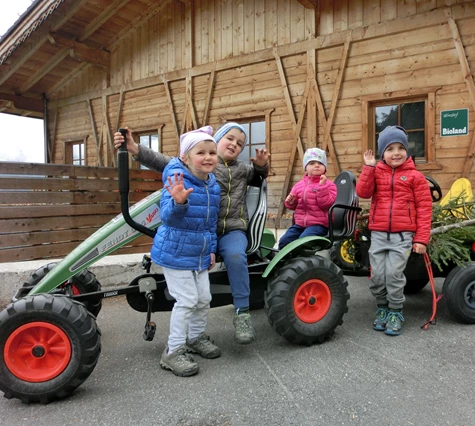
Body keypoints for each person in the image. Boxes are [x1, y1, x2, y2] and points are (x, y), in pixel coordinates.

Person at [114, 123, 269, 345]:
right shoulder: (202, 163)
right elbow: (163, 161)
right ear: (216, 140)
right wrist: (134, 148)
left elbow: (259, 176)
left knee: (236, 256)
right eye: (230, 138)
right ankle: (187, 335)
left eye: (240, 143)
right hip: (202, 231)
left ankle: (242, 312)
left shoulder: (243, 169)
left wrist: (262, 166)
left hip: (232, 229)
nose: (234, 144)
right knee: (195, 292)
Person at [152, 126, 221, 377]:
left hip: (200, 253)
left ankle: (195, 338)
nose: (208, 157)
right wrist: (179, 202)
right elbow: (167, 217)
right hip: (175, 251)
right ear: (185, 157)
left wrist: (211, 249)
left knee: (204, 299)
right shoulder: (176, 180)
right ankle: (173, 350)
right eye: (200, 152)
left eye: (212, 152)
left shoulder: (212, 185)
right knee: (187, 300)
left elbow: (211, 222)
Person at [356, 125, 432, 336]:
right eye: (390, 149)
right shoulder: (376, 172)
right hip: (379, 234)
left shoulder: (415, 177)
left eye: (400, 148)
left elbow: (425, 209)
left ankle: (396, 312)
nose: (396, 153)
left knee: (394, 275)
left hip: (402, 236)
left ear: (407, 151)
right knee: (377, 276)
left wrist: (422, 239)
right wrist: (369, 168)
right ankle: (382, 308)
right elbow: (363, 191)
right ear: (382, 153)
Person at [278, 148, 337, 249]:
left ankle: (300, 262)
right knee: (284, 241)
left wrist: (322, 187)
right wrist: (291, 202)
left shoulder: (329, 185)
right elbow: (292, 205)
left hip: (319, 224)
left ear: (325, 168)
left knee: (303, 241)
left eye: (320, 163)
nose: (317, 165)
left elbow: (326, 204)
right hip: (300, 224)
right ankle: (285, 262)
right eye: (312, 163)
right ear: (305, 168)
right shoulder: (299, 185)